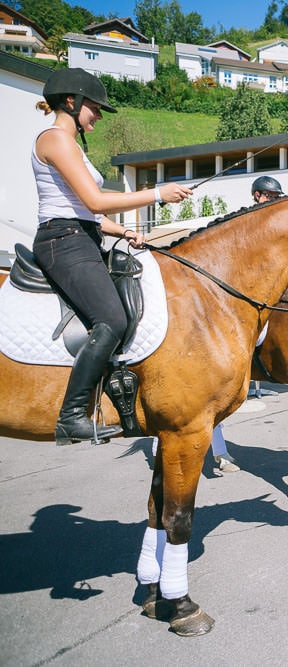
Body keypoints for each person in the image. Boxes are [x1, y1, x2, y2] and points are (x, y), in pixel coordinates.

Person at [31, 68, 192, 444]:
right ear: (71, 101)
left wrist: (125, 231)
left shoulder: (69, 143)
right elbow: (95, 201)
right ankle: (72, 415)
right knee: (112, 319)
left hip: (82, 236)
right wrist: (156, 195)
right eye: (94, 107)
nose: (98, 116)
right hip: (62, 241)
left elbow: (87, 212)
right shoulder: (55, 139)